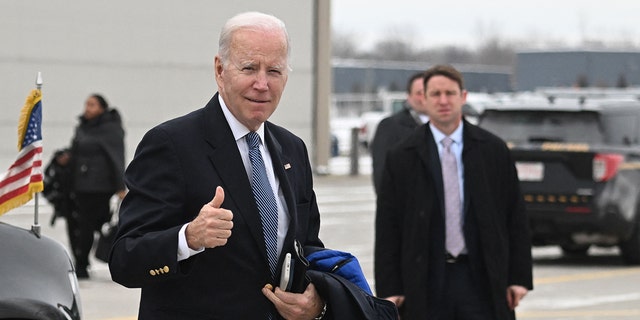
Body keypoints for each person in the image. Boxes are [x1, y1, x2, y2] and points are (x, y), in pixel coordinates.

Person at [109, 12, 328, 320]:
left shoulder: (292, 149)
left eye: (275, 70)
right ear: (220, 69)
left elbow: (308, 246)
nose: (262, 84)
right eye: (249, 68)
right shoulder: (170, 144)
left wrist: (316, 301)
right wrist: (188, 238)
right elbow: (124, 260)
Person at [374, 65, 533, 319]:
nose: (443, 101)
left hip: (482, 277)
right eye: (435, 94)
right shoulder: (402, 156)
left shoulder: (493, 150)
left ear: (464, 96)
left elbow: (515, 216)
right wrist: (390, 287)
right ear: (423, 99)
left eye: (450, 93)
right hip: (425, 279)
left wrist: (519, 277)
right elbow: (388, 226)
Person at [69, 93, 126, 279]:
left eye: (92, 105)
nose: (87, 108)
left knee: (104, 226)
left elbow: (116, 157)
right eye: (86, 104)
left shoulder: (110, 129)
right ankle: (81, 265)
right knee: (83, 226)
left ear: (102, 108)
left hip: (102, 188)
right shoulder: (82, 127)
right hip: (81, 187)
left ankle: (118, 260)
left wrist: (120, 187)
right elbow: (76, 153)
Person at [370, 71, 428, 194]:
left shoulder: (447, 128)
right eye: (419, 93)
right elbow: (381, 174)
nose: (423, 97)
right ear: (409, 96)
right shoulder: (390, 126)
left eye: (428, 92)